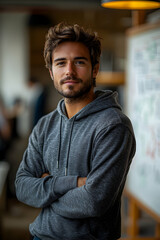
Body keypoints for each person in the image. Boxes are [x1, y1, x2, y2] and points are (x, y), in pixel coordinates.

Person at [15, 22, 136, 240]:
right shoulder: (45, 125)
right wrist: (73, 183)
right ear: (51, 72)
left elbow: (93, 201)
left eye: (79, 62)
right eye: (60, 63)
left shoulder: (113, 126)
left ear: (95, 68)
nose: (69, 71)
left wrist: (45, 189)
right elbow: (22, 186)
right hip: (40, 237)